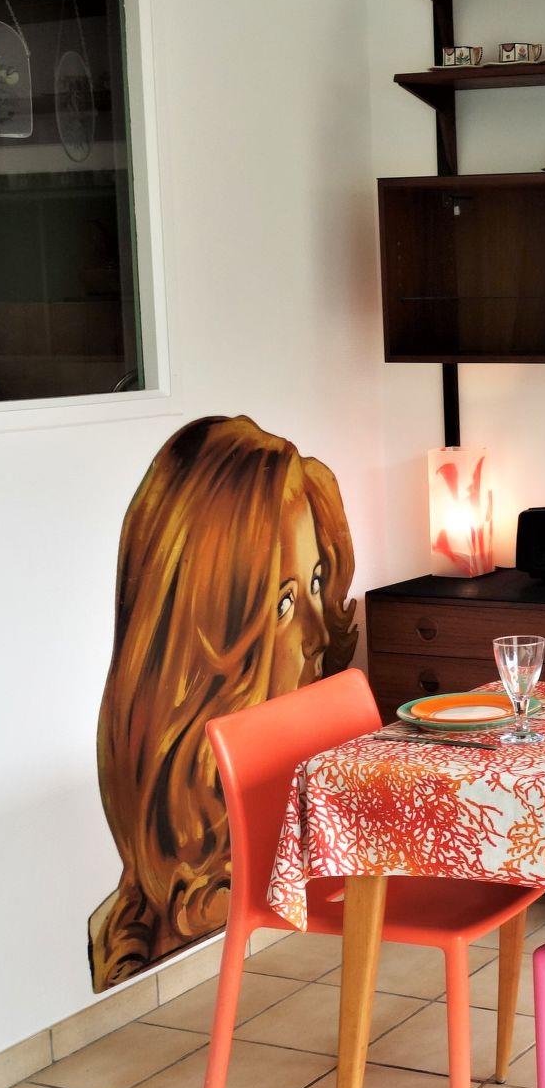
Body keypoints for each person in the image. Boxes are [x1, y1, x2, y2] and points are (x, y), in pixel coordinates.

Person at [87, 415, 357, 990]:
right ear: (205, 633)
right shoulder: (155, 921)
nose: (317, 634)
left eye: (315, 583)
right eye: (282, 604)